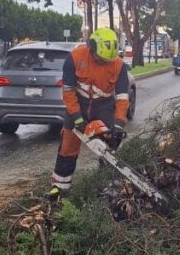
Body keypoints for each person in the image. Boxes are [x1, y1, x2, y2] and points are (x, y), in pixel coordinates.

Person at [48, 28, 131, 200]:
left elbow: (122, 98)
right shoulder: (75, 58)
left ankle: (110, 189)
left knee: (110, 148)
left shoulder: (119, 65)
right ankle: (59, 189)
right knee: (67, 147)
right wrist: (77, 118)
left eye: (108, 59)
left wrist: (118, 124)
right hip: (79, 105)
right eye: (101, 58)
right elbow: (69, 92)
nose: (104, 62)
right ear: (92, 47)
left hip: (104, 107)